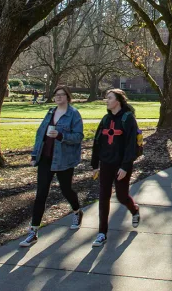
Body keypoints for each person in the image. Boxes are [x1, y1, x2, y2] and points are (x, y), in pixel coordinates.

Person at [20, 86, 84, 247]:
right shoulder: (50, 112)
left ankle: (77, 211)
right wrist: (35, 155)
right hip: (46, 159)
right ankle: (33, 231)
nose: (59, 97)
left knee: (66, 189)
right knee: (41, 194)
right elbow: (40, 134)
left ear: (68, 97)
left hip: (64, 160)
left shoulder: (73, 114)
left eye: (62, 95)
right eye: (57, 95)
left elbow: (78, 137)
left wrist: (61, 136)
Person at [90, 88, 141, 247]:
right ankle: (102, 233)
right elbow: (97, 142)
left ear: (117, 100)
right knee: (103, 197)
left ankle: (134, 210)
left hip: (121, 165)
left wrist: (125, 166)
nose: (107, 100)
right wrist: (94, 164)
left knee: (121, 196)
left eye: (109, 98)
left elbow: (131, 145)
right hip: (106, 164)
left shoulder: (128, 119)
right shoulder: (105, 119)